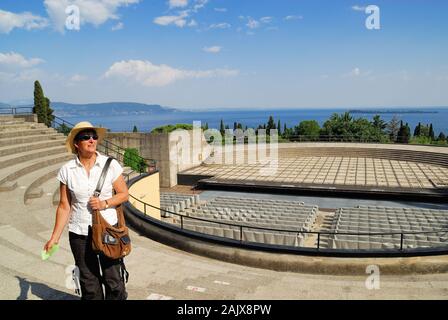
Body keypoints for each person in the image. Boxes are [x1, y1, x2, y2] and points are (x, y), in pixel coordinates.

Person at [44, 121, 129, 300]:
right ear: (76, 144)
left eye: (94, 136)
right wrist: (54, 238)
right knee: (88, 283)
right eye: (86, 137)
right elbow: (64, 206)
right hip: (79, 232)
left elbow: (123, 194)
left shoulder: (110, 164)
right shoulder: (67, 170)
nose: (91, 140)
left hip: (108, 229)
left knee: (113, 281)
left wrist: (105, 203)